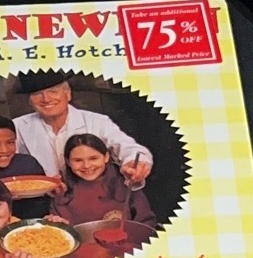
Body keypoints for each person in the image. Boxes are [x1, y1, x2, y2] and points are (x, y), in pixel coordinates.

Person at [13, 71, 153, 184]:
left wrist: (134, 162)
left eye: (53, 91)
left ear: (68, 94)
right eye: (37, 94)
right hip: (43, 202)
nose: (46, 99)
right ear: (30, 101)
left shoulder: (97, 121)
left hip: (93, 198)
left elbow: (128, 148)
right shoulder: (17, 126)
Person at [50, 133, 157, 226]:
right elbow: (60, 230)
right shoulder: (61, 190)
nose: (86, 165)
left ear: (106, 157)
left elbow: (146, 222)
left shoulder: (125, 183)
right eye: (78, 160)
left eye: (93, 158)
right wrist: (54, 223)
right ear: (68, 162)